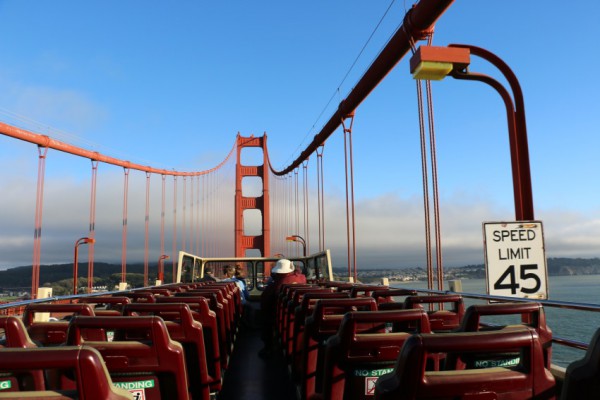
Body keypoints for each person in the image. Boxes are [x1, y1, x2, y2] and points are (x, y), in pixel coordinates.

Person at [259, 258, 306, 358]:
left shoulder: (276, 285)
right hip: (302, 316)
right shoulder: (302, 278)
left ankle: (268, 347)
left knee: (266, 317)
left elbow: (264, 301)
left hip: (281, 318)